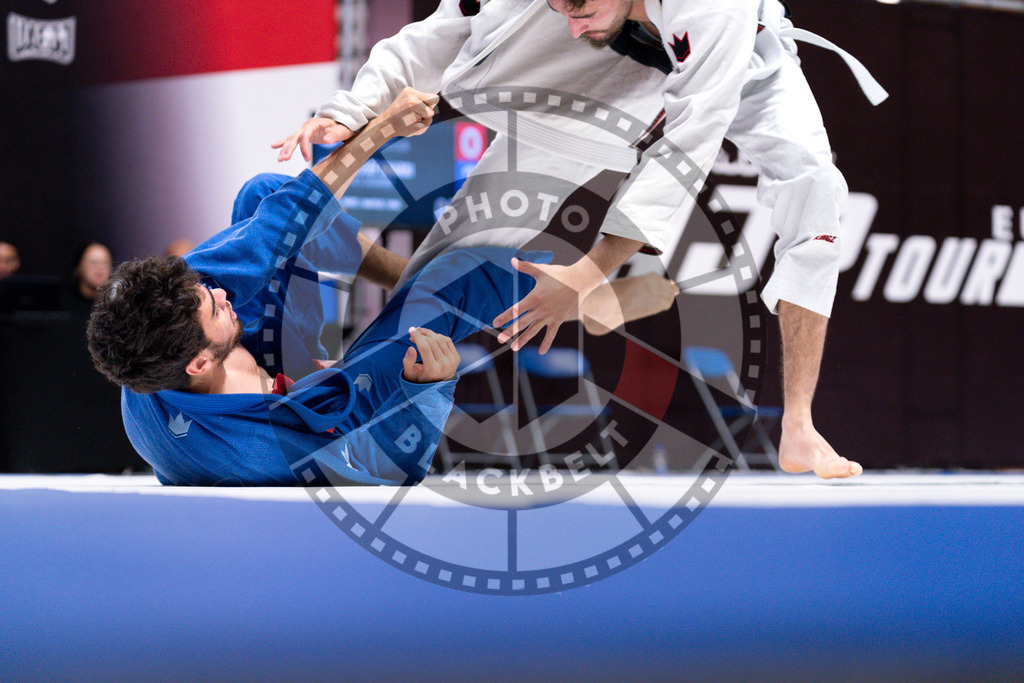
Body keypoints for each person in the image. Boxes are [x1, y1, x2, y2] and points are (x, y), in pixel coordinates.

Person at [273, 0, 880, 479]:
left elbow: (689, 141)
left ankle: (798, 424)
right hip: (609, 75)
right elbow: (438, 33)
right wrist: (351, 110)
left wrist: (587, 275)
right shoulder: (574, 17)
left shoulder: (710, 9)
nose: (568, 18)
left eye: (579, 3)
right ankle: (337, 403)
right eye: (558, 4)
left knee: (817, 189)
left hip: (742, 66)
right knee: (453, 256)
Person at [87, 88, 673, 486]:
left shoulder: (167, 327)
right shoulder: (252, 454)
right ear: (195, 364)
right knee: (459, 277)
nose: (218, 293)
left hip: (280, 360)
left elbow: (286, 210)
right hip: (337, 404)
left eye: (204, 288)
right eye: (210, 307)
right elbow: (389, 469)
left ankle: (405, 275)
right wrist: (429, 389)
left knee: (262, 193)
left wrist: (376, 133)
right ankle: (590, 299)